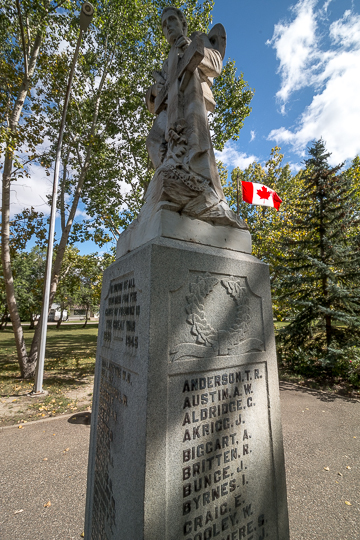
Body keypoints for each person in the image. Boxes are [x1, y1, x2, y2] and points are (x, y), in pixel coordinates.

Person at [145, 7, 246, 229]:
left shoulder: (197, 38)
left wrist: (191, 46)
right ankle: (169, 171)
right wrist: (153, 92)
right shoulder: (167, 61)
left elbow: (216, 64)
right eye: (163, 24)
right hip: (170, 106)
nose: (168, 27)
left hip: (191, 95)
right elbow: (155, 102)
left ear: (183, 23)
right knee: (153, 139)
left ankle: (196, 180)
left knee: (192, 133)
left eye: (172, 20)